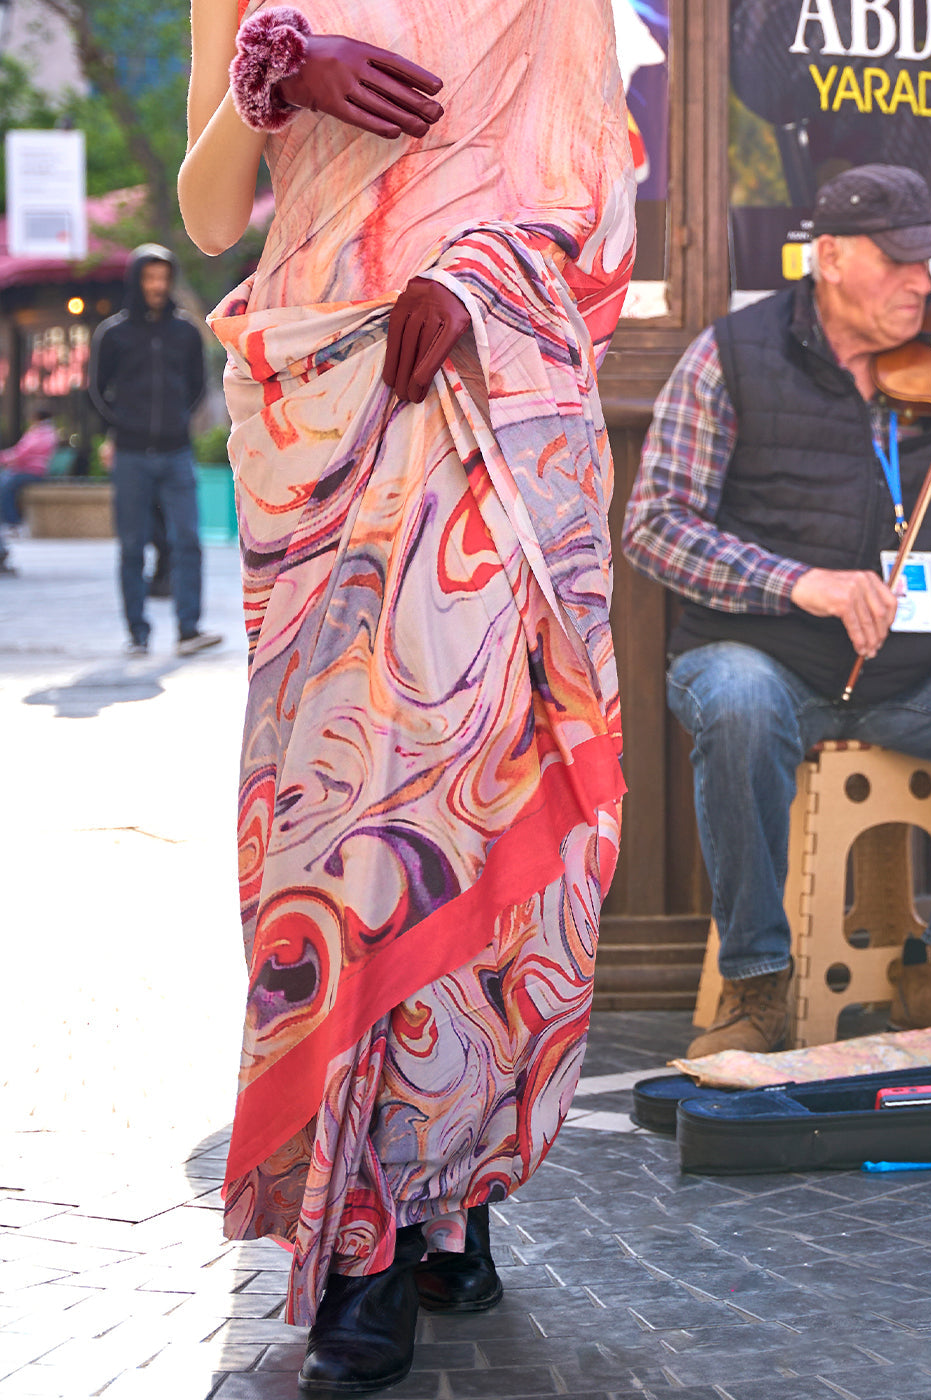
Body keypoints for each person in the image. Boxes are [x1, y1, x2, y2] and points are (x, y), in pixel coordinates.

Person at [179, 1, 634, 1393]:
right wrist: (270, 74)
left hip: (493, 384)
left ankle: (445, 1183)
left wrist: (489, 272)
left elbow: (591, 180)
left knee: (473, 781)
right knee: (331, 811)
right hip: (317, 397)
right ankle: (365, 1227)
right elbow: (208, 216)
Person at [622, 163, 931, 1060]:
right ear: (828, 257)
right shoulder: (732, 356)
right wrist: (799, 582)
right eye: (899, 262)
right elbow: (653, 525)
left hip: (919, 674)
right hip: (763, 656)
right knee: (740, 704)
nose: (923, 284)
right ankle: (758, 984)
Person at [89, 245, 222, 657]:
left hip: (176, 452)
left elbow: (199, 385)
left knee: (187, 539)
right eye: (149, 277)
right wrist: (119, 426)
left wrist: (177, 420)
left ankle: (188, 629)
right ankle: (138, 633)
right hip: (130, 454)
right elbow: (96, 389)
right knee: (132, 546)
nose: (157, 285)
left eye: (163, 277)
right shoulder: (113, 333)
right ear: (136, 280)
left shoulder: (184, 332)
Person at [0, 407, 58, 528]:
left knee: (5, 484)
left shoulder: (40, 434)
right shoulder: (45, 433)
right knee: (4, 479)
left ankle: (12, 522)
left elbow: (21, 453)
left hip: (32, 472)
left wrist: (4, 458)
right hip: (27, 471)